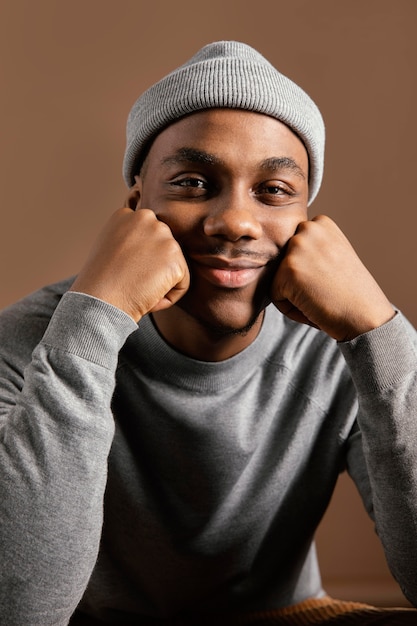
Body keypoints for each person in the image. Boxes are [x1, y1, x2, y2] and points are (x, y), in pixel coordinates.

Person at [0, 40, 416, 626]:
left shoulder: (341, 346)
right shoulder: (34, 338)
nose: (237, 223)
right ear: (135, 204)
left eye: (273, 191)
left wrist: (379, 333)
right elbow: (21, 609)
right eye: (193, 182)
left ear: (307, 220)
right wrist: (94, 319)